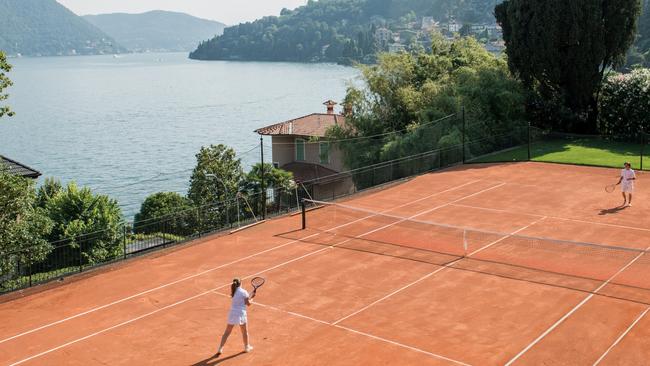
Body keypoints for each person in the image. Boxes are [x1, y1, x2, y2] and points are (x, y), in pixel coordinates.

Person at [216, 278, 254, 356]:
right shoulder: (244, 292)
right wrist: (252, 298)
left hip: (232, 313)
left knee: (227, 332)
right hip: (241, 314)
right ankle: (247, 347)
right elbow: (248, 303)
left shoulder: (234, 291)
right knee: (244, 332)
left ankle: (220, 348)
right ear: (240, 283)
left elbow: (243, 298)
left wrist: (249, 295)